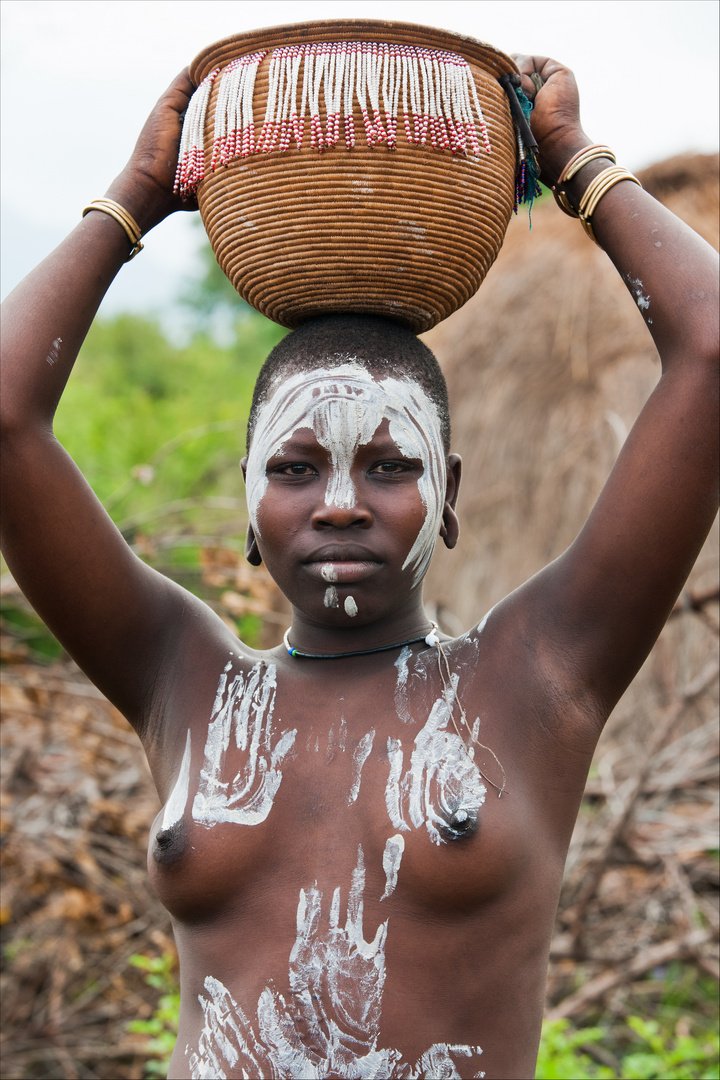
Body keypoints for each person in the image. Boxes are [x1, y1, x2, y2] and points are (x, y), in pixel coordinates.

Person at [0, 46, 717, 1080]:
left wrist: (576, 165)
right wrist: (133, 200)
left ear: (452, 497)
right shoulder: (182, 680)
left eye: (388, 464)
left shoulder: (537, 674)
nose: (339, 501)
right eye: (296, 467)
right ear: (248, 503)